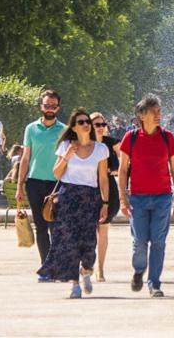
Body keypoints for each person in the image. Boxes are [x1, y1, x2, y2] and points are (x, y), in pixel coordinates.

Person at [38, 109, 109, 299]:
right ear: (74, 127)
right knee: (69, 242)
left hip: (90, 198)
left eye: (87, 121)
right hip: (68, 196)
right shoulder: (66, 146)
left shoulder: (101, 149)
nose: (86, 124)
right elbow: (57, 174)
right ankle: (74, 284)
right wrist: (67, 156)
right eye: (81, 122)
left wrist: (105, 202)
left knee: (88, 242)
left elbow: (103, 179)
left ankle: (86, 270)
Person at [117, 93, 174, 298]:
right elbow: (122, 170)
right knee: (139, 242)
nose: (158, 115)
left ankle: (154, 283)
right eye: (153, 111)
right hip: (138, 197)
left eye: (159, 111)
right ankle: (138, 271)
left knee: (159, 242)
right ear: (141, 115)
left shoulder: (167, 137)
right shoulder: (131, 137)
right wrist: (122, 198)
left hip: (163, 197)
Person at [16, 89, 65, 267]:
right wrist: (19, 186)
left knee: (55, 226)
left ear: (58, 108)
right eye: (47, 105)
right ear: (41, 106)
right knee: (41, 226)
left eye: (53, 105)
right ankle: (46, 264)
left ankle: (56, 263)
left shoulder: (64, 130)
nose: (50, 108)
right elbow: (26, 158)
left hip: (56, 183)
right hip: (34, 182)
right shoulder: (31, 128)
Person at [88, 115, 119, 279]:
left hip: (109, 189)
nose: (100, 127)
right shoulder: (85, 143)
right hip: (89, 187)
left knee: (103, 231)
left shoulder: (112, 142)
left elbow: (127, 164)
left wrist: (112, 171)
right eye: (96, 124)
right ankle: (88, 265)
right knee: (88, 232)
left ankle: (100, 268)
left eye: (102, 124)